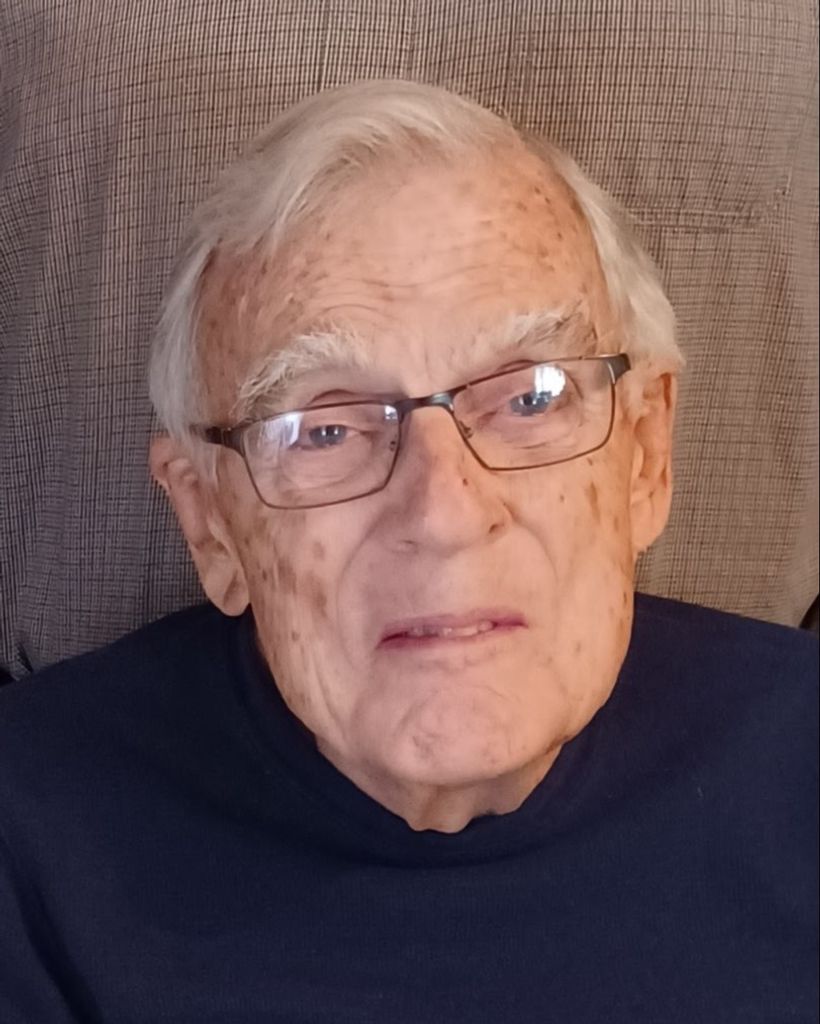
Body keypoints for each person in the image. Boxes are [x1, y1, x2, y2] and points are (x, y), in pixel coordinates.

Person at [0, 81, 815, 1023]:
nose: (444, 513)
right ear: (210, 522)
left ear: (645, 456)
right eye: (324, 429)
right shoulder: (28, 838)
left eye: (531, 397)